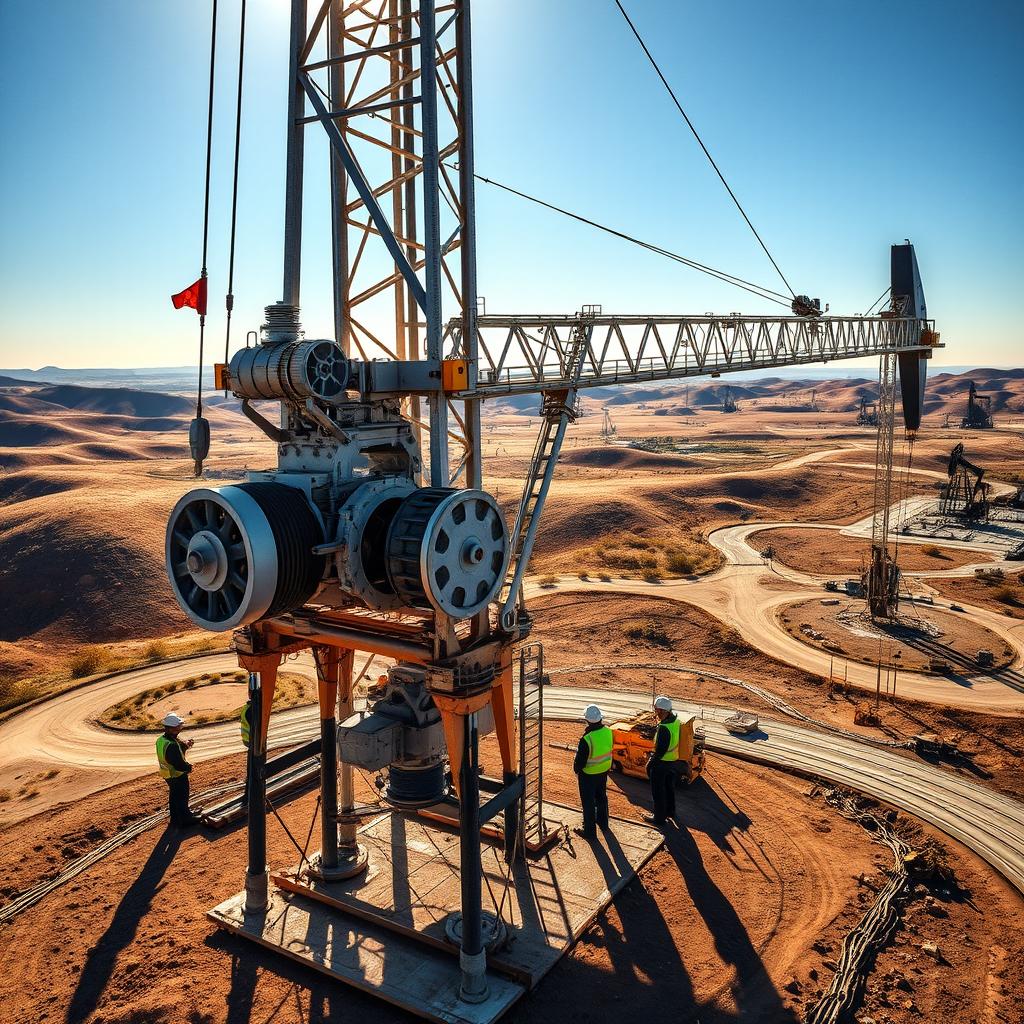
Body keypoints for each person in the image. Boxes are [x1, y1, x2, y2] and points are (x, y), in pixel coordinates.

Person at [572, 704, 612, 841]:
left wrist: (576, 770)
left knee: (588, 803)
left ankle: (589, 832)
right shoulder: (608, 731)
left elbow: (580, 762)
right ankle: (603, 822)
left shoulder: (587, 739)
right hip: (603, 771)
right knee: (601, 797)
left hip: (588, 775)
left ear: (587, 720)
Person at [156, 712, 201, 828]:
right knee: (182, 797)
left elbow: (172, 752)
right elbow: (178, 763)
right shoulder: (172, 745)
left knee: (174, 797)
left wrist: (185, 745)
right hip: (177, 775)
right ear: (171, 728)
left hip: (167, 775)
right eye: (178, 727)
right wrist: (188, 767)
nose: (180, 728)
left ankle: (175, 818)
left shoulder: (162, 740)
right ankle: (186, 819)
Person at [644, 695, 680, 828]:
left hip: (662, 763)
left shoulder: (664, 728)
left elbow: (660, 750)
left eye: (658, 711)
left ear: (664, 711)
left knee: (658, 791)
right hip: (672, 761)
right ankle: (671, 811)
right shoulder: (675, 722)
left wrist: (650, 763)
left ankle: (659, 818)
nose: (657, 714)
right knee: (669, 787)